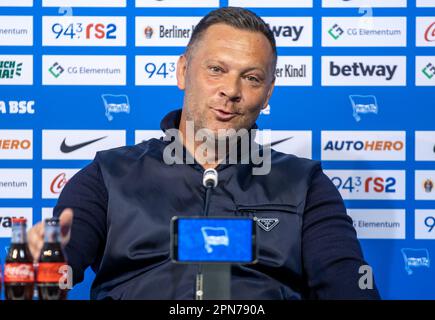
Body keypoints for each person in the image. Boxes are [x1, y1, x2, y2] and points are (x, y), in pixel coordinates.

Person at [28, 7, 381, 300]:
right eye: (216, 70)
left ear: (268, 93)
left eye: (252, 78)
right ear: (183, 71)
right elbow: (53, 272)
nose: (231, 90)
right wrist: (40, 263)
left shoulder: (305, 184)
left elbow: (349, 287)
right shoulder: (108, 174)